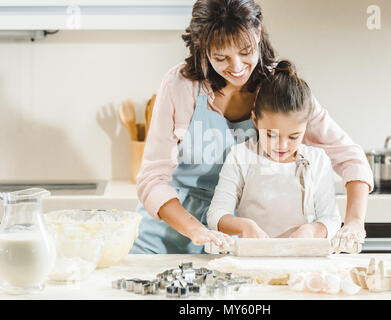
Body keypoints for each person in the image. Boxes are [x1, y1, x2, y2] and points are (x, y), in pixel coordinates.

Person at [131, 0, 373, 254]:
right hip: (163, 239)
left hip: (231, 240)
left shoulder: (279, 87)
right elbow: (152, 179)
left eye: (245, 51)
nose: (236, 67)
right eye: (221, 57)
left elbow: (349, 156)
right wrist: (197, 231)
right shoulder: (181, 85)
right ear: (204, 48)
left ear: (258, 33)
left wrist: (354, 222)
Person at [206, 60, 342, 241]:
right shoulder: (240, 157)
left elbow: (331, 218)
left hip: (305, 263)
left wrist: (312, 230)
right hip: (253, 261)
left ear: (306, 126)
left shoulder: (317, 160)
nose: (282, 146)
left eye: (294, 136)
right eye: (271, 135)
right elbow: (216, 214)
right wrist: (246, 226)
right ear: (255, 119)